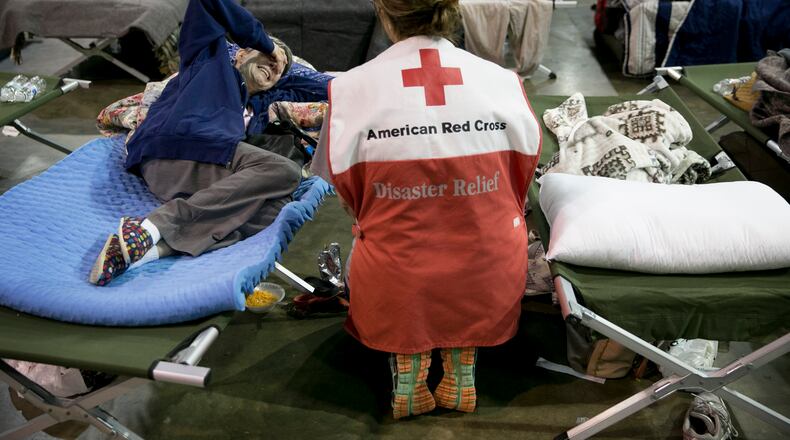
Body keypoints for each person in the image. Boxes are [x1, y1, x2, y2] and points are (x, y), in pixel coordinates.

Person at [310, 0, 542, 419]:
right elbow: (520, 185)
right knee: (473, 252)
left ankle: (409, 379)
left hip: (397, 275)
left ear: (384, 14)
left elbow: (345, 195)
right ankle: (460, 373)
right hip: (489, 268)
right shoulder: (502, 81)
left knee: (385, 247)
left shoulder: (351, 88)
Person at [89, 0, 303, 286]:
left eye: (279, 70)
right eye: (268, 59)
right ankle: (153, 225)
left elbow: (323, 85)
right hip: (174, 149)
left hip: (196, 171)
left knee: (275, 207)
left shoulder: (258, 108)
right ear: (240, 54)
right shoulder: (208, 60)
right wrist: (266, 43)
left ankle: (145, 251)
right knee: (286, 172)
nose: (274, 66)